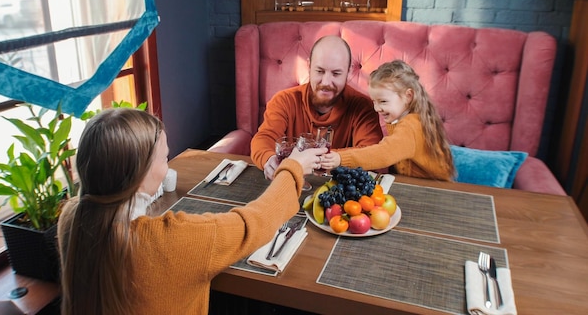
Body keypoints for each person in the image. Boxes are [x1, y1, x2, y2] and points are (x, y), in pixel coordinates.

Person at [57, 108, 327, 315]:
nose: (166, 167)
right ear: (140, 173)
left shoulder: (72, 218)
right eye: (164, 158)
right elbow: (256, 222)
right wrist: (292, 168)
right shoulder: (172, 240)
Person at [251, 35, 384, 180]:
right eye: (320, 71)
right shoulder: (284, 101)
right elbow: (264, 138)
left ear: (349, 71)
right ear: (309, 67)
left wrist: (325, 159)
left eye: (336, 73)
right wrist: (269, 159)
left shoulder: (362, 107)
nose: (326, 82)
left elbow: (372, 154)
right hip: (290, 183)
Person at [320, 60, 455, 181]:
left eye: (383, 101)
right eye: (374, 101)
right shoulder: (402, 118)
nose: (377, 108)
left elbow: (384, 153)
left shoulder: (411, 125)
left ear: (408, 96)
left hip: (433, 189)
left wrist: (340, 158)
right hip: (413, 182)